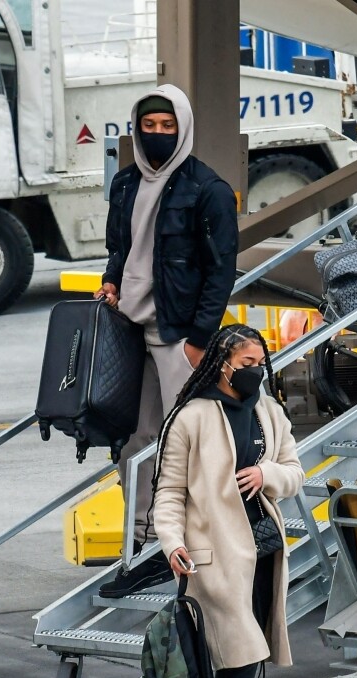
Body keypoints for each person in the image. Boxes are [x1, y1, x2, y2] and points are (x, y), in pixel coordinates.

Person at [153, 325, 305, 678]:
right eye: (246, 364)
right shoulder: (190, 418)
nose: (256, 371)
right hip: (211, 559)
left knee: (245, 655)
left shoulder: (269, 411)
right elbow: (169, 492)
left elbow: (296, 472)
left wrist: (268, 474)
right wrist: (171, 541)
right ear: (222, 365)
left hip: (263, 552)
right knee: (238, 656)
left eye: (261, 362)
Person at [96, 84, 239, 597]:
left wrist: (200, 339)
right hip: (130, 331)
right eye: (148, 127)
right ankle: (140, 545)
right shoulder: (126, 182)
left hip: (177, 335)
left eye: (167, 127)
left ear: (183, 128)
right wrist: (113, 278)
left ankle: (188, 544)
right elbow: (122, 246)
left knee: (185, 443)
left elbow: (220, 273)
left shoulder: (208, 190)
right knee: (133, 440)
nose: (156, 135)